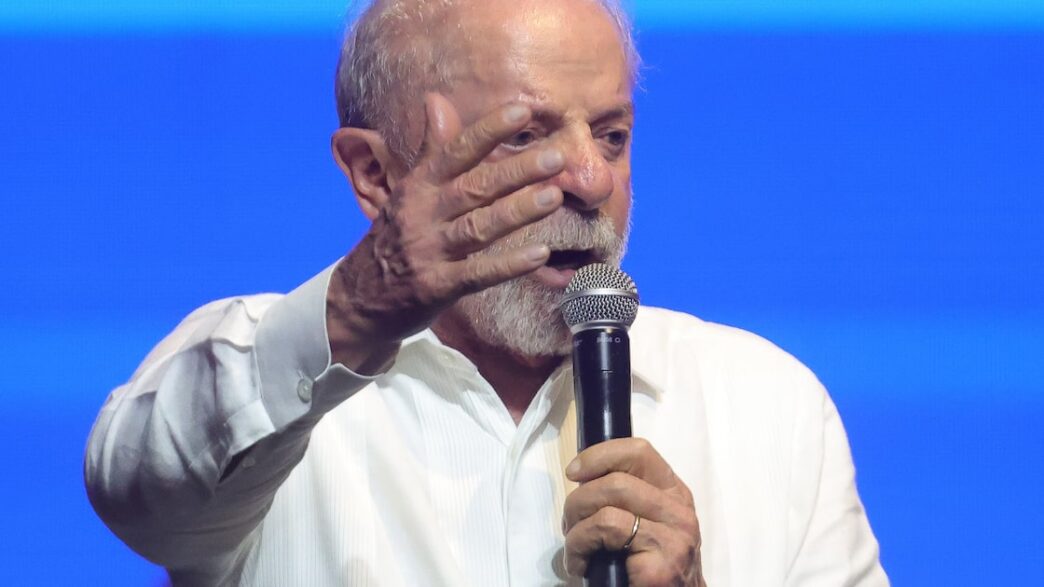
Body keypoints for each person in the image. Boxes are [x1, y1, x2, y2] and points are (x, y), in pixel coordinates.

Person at [85, 0, 888, 585]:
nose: (590, 179)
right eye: (525, 136)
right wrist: (359, 303)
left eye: (611, 134)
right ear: (375, 173)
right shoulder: (267, 387)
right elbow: (137, 496)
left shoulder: (770, 408)